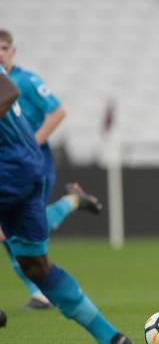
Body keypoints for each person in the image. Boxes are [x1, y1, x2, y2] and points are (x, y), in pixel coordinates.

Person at [0, 64, 133, 344]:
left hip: (11, 167)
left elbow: (8, 91)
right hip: (27, 166)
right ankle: (111, 340)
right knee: (35, 266)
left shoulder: (23, 78)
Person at [0, 29, 102, 310]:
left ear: (13, 51)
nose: (1, 52)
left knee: (17, 229)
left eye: (5, 47)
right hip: (10, 162)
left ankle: (39, 291)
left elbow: (57, 112)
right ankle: (73, 201)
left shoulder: (27, 80)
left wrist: (30, 144)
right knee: (15, 231)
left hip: (31, 164)